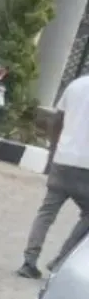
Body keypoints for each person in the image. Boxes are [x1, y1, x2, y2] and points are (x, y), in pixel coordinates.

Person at [21, 72, 89, 278]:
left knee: (46, 212)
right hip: (86, 167)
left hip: (63, 160)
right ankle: (61, 261)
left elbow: (57, 120)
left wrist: (53, 153)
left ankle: (29, 261)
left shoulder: (76, 85)